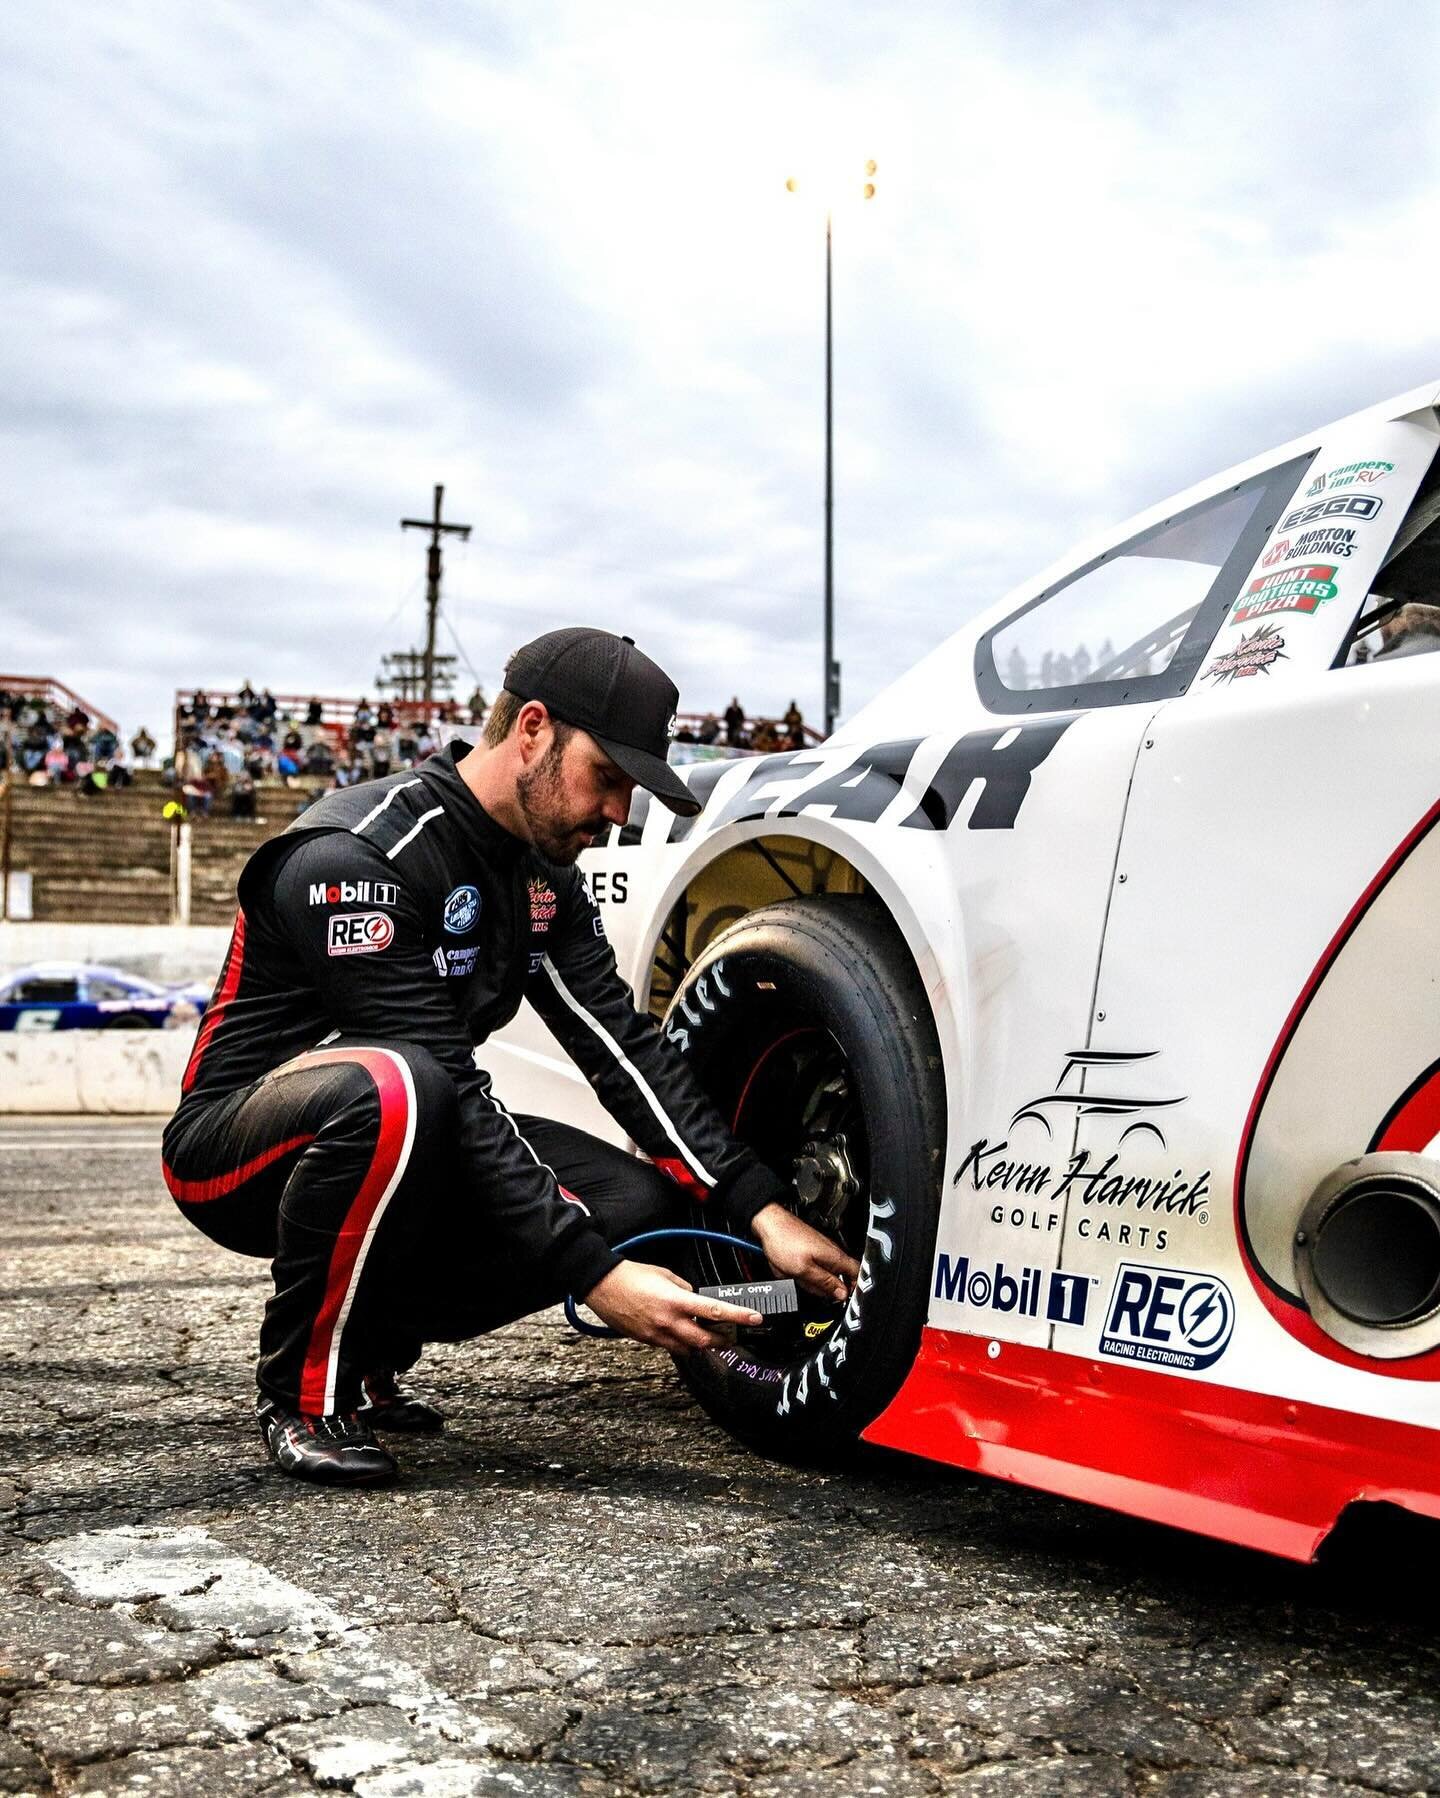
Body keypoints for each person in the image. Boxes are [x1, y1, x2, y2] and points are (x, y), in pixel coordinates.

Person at [161, 627, 857, 1490]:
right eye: (607, 777)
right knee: (400, 1085)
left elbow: (622, 1048)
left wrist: (758, 1206)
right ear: (532, 729)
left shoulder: (543, 881)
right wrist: (594, 1276)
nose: (616, 814)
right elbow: (446, 1079)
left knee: (631, 1197)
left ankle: (375, 1338)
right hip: (239, 1147)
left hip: (411, 1128)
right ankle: (304, 1393)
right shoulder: (356, 858)